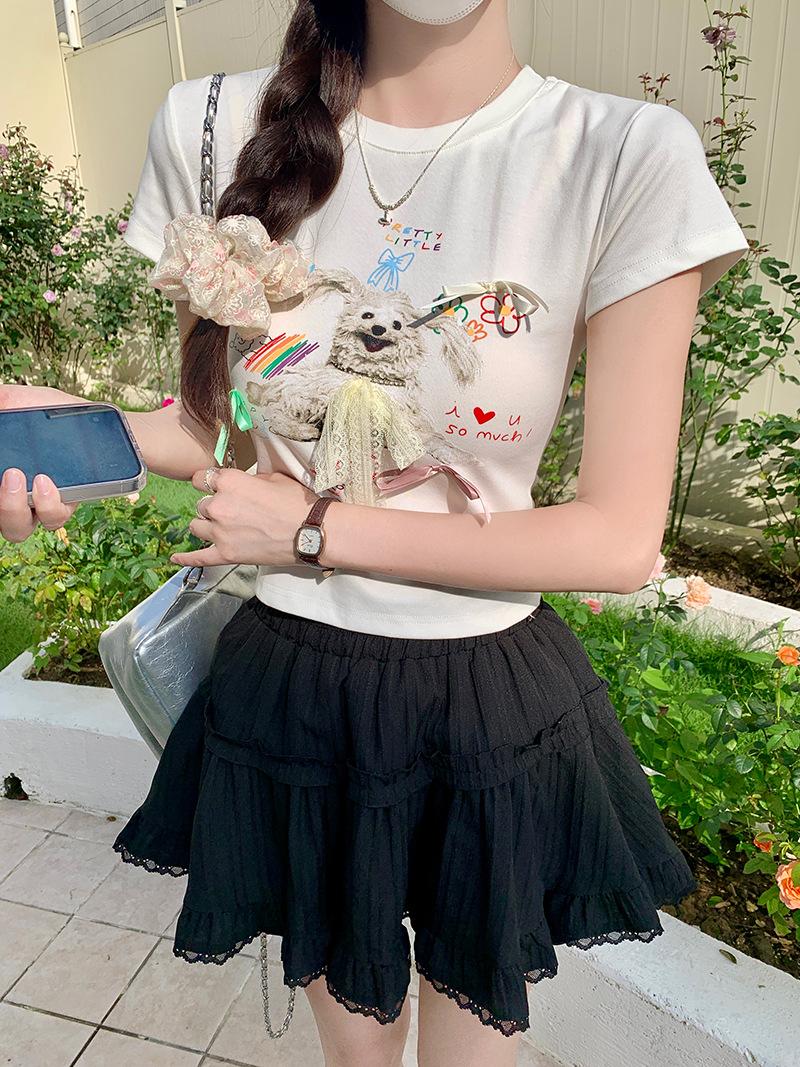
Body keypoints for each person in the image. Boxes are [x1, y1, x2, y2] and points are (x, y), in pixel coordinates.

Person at [0, 1, 750, 1064]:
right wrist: (73, 432)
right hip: (294, 689)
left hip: (481, 694)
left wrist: (314, 530)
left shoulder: (619, 150)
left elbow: (615, 539)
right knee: (356, 1050)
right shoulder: (212, 124)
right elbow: (218, 425)